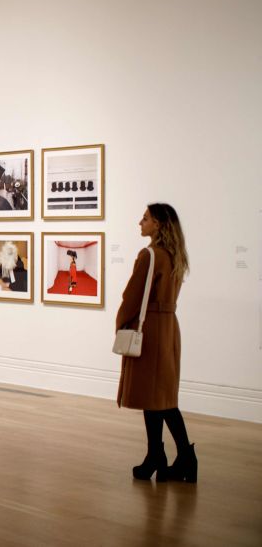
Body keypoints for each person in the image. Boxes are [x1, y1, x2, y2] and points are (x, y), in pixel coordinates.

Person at [117, 203, 196, 483]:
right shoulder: (176, 255)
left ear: (159, 224)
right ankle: (160, 456)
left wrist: (120, 324)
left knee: (158, 398)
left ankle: (179, 456)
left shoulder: (149, 255)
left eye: (146, 218)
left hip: (149, 328)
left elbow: (132, 296)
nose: (140, 222)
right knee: (158, 396)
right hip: (169, 327)